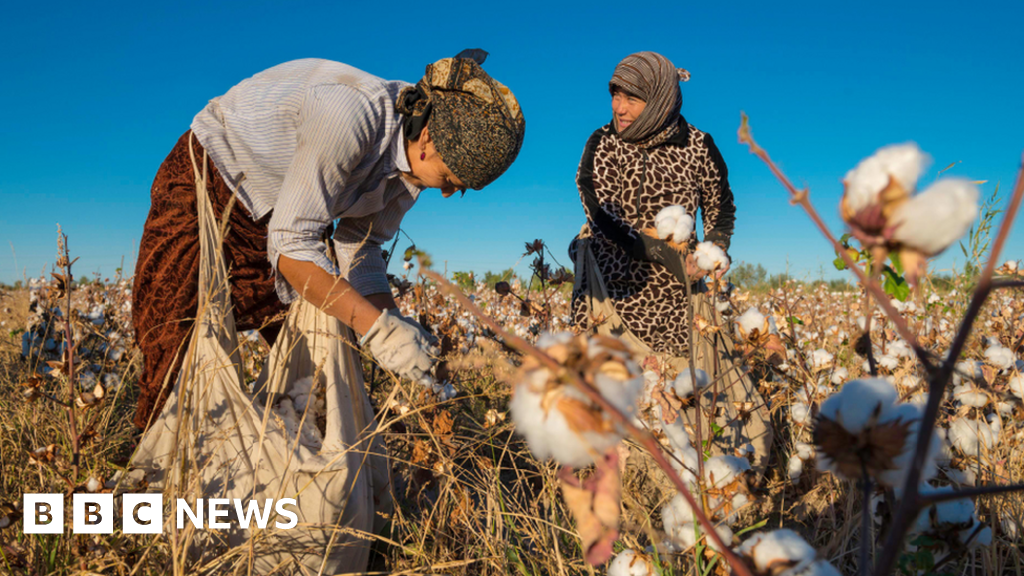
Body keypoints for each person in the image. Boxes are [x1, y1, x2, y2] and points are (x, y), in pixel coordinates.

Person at [132, 53, 525, 430]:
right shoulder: (350, 114)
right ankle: (151, 480)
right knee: (173, 342)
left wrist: (396, 326)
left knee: (311, 367)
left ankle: (281, 471)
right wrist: (376, 330)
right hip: (210, 183)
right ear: (427, 139)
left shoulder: (408, 178)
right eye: (453, 180)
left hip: (285, 216)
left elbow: (361, 247)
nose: (447, 193)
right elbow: (291, 246)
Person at [569, 52, 771, 480]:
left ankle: (722, 486)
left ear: (660, 99)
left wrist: (713, 251)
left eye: (632, 98)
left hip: (683, 300)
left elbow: (722, 208)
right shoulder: (603, 144)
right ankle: (636, 493)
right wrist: (661, 253)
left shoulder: (698, 146)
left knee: (709, 405)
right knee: (629, 410)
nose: (619, 108)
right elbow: (600, 214)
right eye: (615, 95)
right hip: (618, 295)